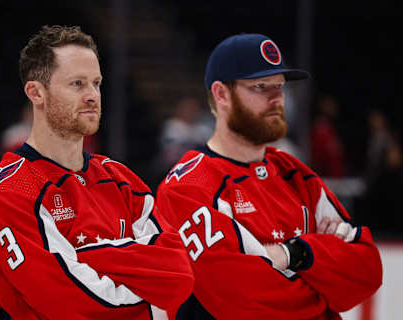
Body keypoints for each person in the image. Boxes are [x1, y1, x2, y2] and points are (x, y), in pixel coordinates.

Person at [0, 25, 194, 320]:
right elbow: (67, 304)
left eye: (96, 83)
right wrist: (152, 301)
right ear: (36, 92)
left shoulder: (121, 179)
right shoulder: (7, 191)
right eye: (77, 84)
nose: (92, 96)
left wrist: (87, 257)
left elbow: (178, 273)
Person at [156, 33, 382, 319]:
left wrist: (295, 253)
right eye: (260, 86)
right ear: (221, 94)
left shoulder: (295, 174)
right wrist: (323, 290)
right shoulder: (188, 187)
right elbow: (243, 300)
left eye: (280, 87)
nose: (277, 98)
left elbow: (367, 271)